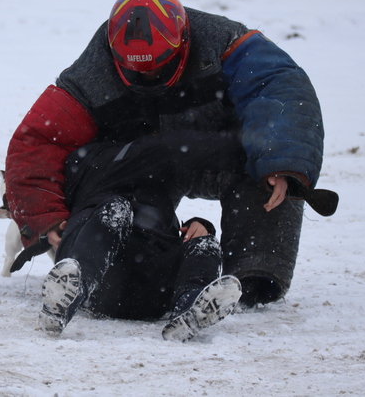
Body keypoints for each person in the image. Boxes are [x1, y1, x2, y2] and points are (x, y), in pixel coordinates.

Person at [5, 0, 325, 308]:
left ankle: (251, 283)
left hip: (218, 154)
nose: (149, 75)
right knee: (122, 234)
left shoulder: (225, 42)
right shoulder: (91, 73)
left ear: (184, 40)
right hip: (140, 170)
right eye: (135, 69)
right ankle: (121, 277)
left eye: (159, 64)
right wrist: (45, 218)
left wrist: (283, 162)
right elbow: (39, 141)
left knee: (273, 169)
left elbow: (281, 90)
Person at [40, 131, 245, 340]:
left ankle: (191, 307)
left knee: (205, 242)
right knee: (116, 209)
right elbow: (34, 178)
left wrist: (199, 226)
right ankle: (70, 295)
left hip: (154, 286)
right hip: (105, 278)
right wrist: (45, 223)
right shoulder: (88, 161)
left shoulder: (159, 181)